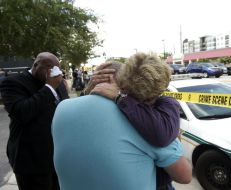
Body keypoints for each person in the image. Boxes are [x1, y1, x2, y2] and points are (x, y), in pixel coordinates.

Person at [52, 53, 191, 190]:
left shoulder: (61, 109)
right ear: (123, 82)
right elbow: (185, 176)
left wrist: (88, 93)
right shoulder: (140, 118)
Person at [83, 60, 182, 190]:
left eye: (106, 81)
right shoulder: (122, 106)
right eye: (97, 82)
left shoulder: (157, 106)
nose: (102, 88)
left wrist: (119, 98)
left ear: (124, 84)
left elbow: (184, 174)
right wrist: (88, 93)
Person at [0, 52, 69, 190]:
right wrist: (49, 88)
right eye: (49, 68)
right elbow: (21, 113)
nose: (52, 72)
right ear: (36, 64)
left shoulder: (58, 83)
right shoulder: (13, 82)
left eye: (55, 68)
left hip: (56, 156)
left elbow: (64, 108)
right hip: (30, 159)